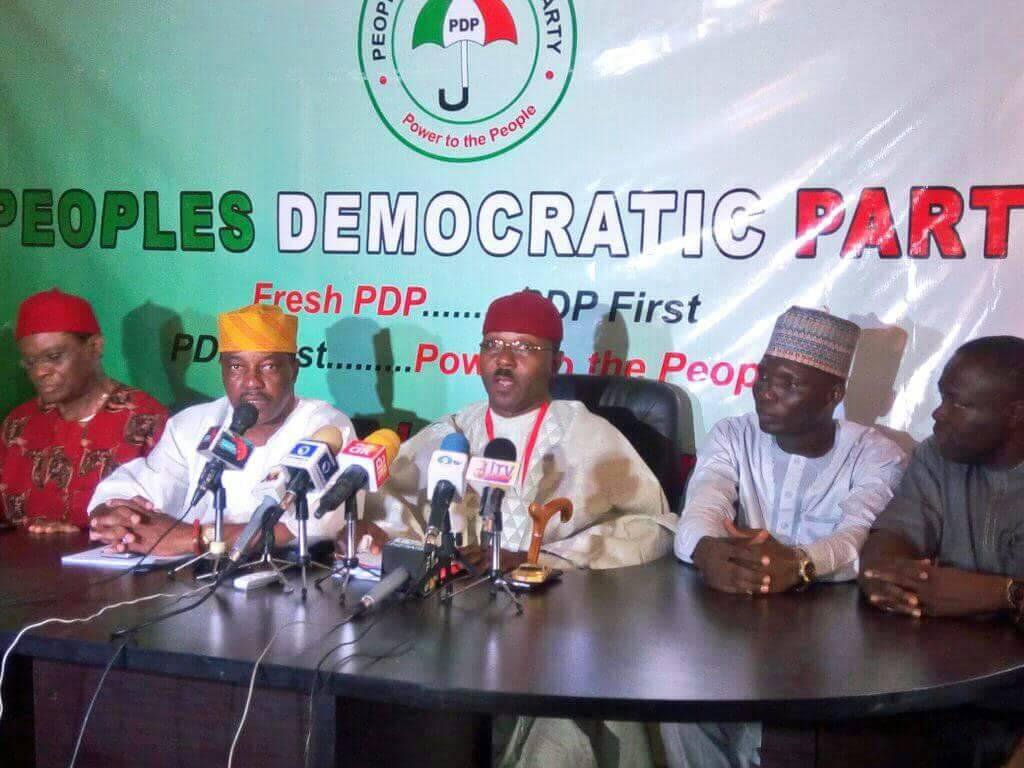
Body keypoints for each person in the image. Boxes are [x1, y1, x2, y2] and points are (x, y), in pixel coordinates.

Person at [359, 289, 676, 768]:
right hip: (452, 622)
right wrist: (392, 538)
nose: (504, 361)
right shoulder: (452, 432)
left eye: (524, 348)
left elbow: (653, 526)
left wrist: (540, 560)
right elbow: (391, 504)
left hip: (556, 626)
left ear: (556, 362)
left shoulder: (589, 434)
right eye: (493, 345)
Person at [664, 306, 907, 768]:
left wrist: (799, 563)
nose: (765, 391)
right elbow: (702, 509)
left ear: (833, 394)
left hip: (831, 641)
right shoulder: (732, 434)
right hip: (731, 625)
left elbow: (858, 538)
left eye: (788, 383)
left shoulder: (877, 455)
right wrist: (706, 549)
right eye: (762, 376)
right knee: (682, 706)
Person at [860, 336, 1024, 768]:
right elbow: (893, 534)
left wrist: (999, 594)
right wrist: (886, 575)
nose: (938, 413)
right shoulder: (937, 455)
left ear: (1015, 414)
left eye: (958, 402)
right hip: (945, 689)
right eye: (941, 396)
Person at [88, 303, 356, 556]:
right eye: (237, 366)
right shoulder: (191, 424)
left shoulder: (327, 428)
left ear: (293, 370)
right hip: (188, 578)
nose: (252, 382)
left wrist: (192, 538)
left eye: (269, 366)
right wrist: (116, 517)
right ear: (223, 371)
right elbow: (134, 488)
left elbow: (314, 527)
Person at [0, 289, 167, 532]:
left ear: (95, 346)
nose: (39, 372)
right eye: (30, 362)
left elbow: (162, 525)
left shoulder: (146, 420)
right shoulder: (18, 424)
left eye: (54, 357)